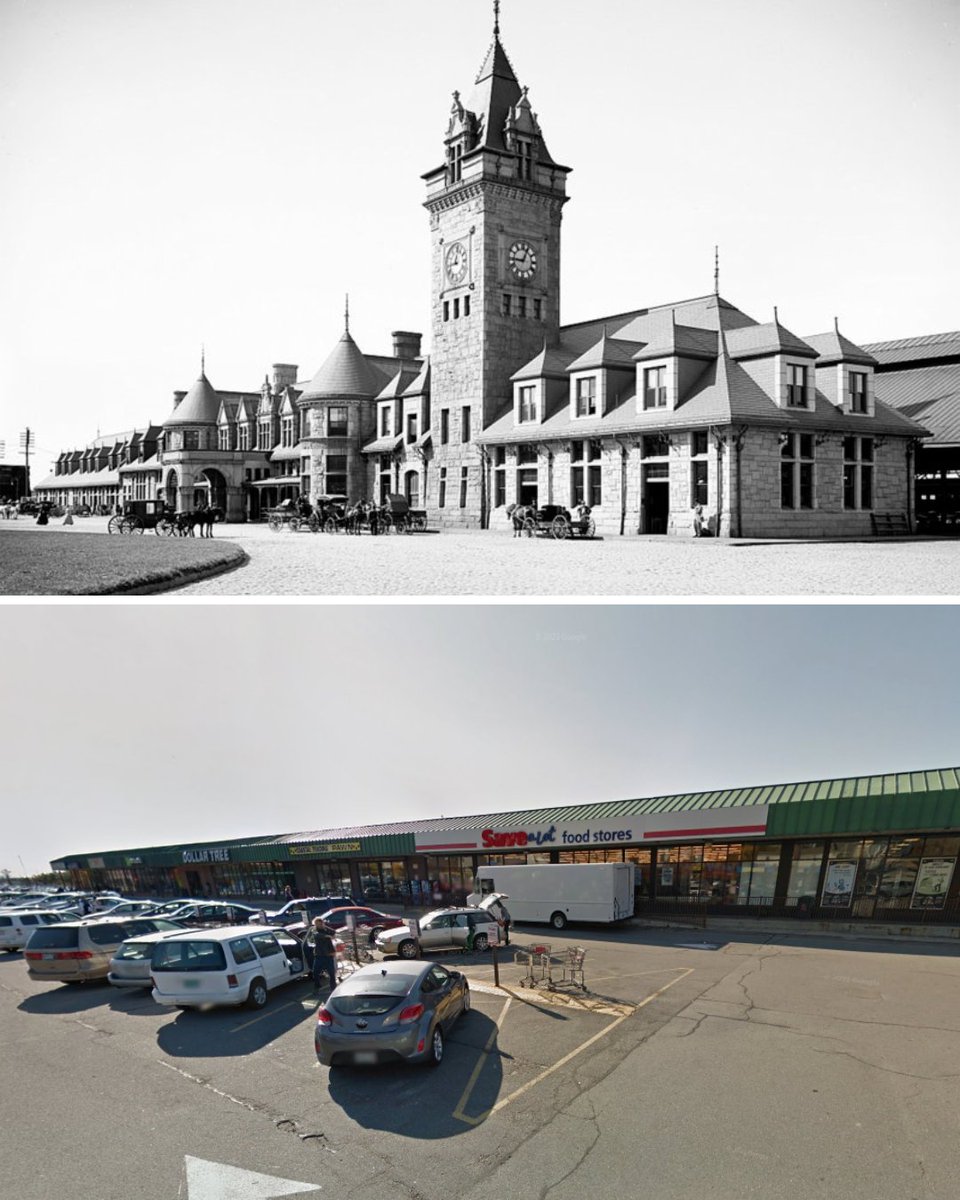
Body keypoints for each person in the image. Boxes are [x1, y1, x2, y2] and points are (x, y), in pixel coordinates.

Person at [306, 918, 337, 992]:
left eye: (320, 923)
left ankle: (333, 987)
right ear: (315, 924)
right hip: (319, 955)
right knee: (315, 972)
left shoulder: (325, 929)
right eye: (317, 923)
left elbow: (333, 931)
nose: (319, 925)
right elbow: (317, 935)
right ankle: (317, 985)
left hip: (329, 954)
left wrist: (325, 926)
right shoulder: (314, 930)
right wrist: (328, 936)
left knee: (331, 973)